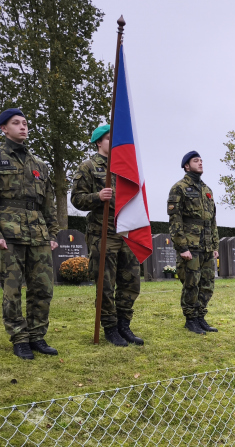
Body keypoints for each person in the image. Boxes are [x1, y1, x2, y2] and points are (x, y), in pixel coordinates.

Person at [0, 108, 59, 360]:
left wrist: (53, 234)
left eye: (25, 123)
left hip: (38, 234)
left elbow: (48, 204)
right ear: (4, 128)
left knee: (43, 288)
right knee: (12, 290)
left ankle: (37, 336)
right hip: (8, 233)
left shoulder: (39, 165)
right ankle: (19, 338)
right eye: (16, 123)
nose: (23, 127)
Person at [70, 124, 144, 347]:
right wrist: (97, 196)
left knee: (131, 281)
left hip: (126, 231)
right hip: (103, 232)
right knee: (106, 283)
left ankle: (124, 325)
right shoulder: (89, 167)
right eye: (110, 138)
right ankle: (110, 328)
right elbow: (76, 199)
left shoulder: (125, 167)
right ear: (99, 142)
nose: (114, 142)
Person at [168, 151, 219, 334]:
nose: (200, 163)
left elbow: (212, 220)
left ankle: (200, 317)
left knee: (207, 284)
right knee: (191, 283)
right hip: (191, 245)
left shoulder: (207, 190)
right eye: (195, 160)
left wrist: (214, 246)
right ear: (186, 166)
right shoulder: (179, 188)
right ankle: (191, 319)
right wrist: (182, 247)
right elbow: (175, 220)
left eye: (201, 160)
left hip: (206, 245)